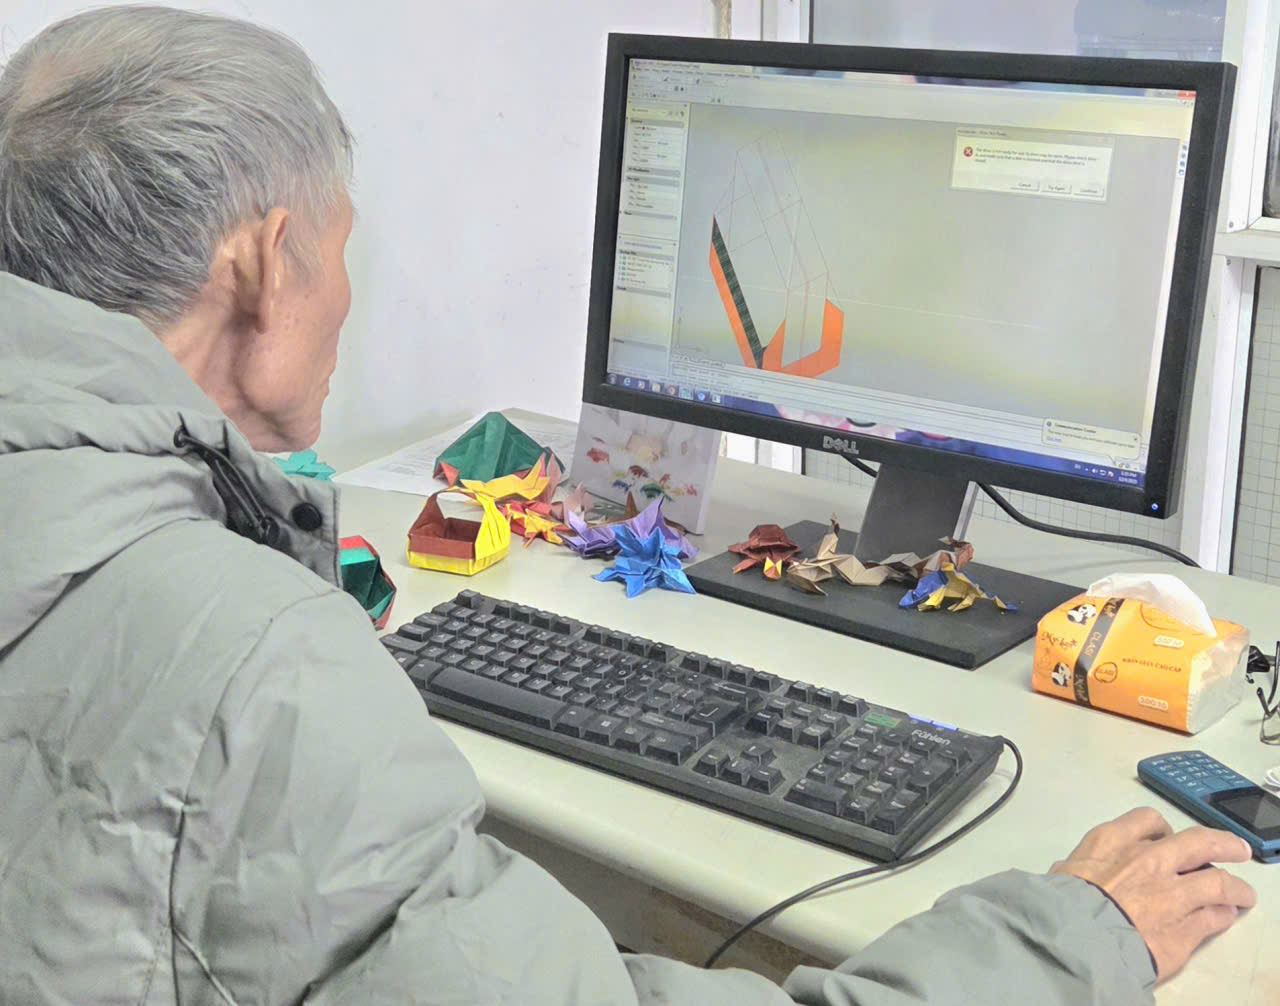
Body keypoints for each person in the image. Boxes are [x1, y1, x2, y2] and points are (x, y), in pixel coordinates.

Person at [0, 7, 1256, 1004]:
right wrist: (1066, 937)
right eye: (338, 250)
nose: (345, 294)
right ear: (264, 269)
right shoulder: (255, 665)